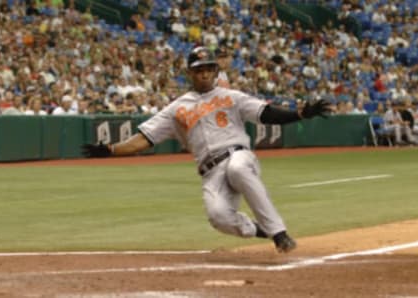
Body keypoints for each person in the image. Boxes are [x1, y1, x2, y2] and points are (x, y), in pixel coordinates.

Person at [82, 47, 331, 253]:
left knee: (238, 169)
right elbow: (144, 139)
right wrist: (110, 149)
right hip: (210, 172)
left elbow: (265, 113)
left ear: (215, 71)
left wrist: (300, 114)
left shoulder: (231, 96)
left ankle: (279, 234)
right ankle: (262, 230)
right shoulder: (176, 108)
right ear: (189, 73)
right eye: (198, 69)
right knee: (219, 218)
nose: (204, 73)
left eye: (208, 68)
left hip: (238, 154)